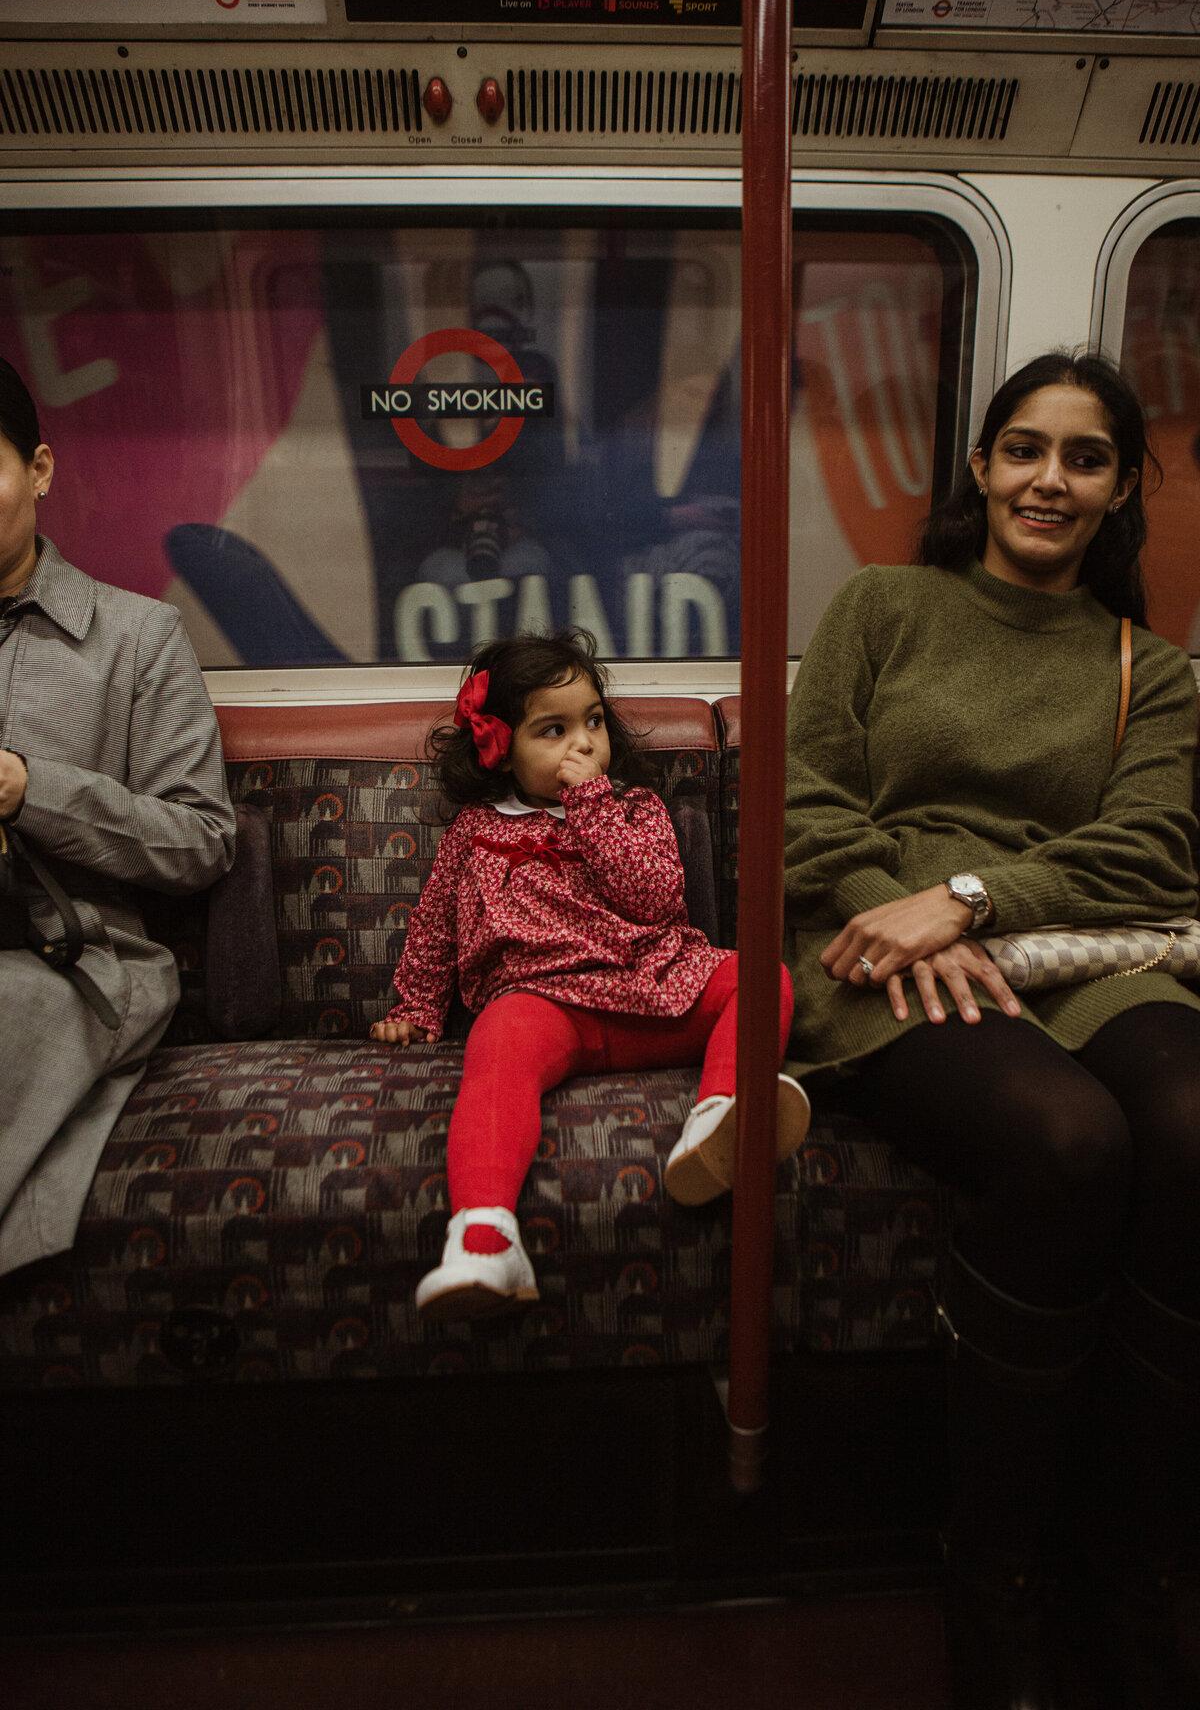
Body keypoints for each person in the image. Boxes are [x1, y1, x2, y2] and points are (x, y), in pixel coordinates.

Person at [784, 351, 1200, 1710]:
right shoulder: (885, 608)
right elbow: (804, 801)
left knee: (1194, 1131)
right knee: (1067, 1139)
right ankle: (998, 1569)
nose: (1051, 480)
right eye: (1026, 449)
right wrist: (892, 912)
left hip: (1069, 944)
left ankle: (1129, 1559)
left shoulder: (1155, 668)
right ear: (981, 467)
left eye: (1086, 459)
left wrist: (968, 900)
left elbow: (1146, 849)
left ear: (1121, 490)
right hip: (872, 942)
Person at [370, 627, 809, 1320]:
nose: (583, 743)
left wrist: (593, 806)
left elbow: (656, 898)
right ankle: (484, 1240)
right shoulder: (474, 831)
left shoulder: (632, 809)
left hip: (658, 986)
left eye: (593, 722)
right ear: (501, 748)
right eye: (553, 729)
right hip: (543, 1007)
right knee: (495, 1048)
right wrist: (417, 1007)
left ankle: (718, 1119)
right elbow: (434, 928)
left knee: (763, 979)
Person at [0, 357, 236, 1277]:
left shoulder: (139, 638)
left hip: (81, 961)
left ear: (42, 470)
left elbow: (203, 840)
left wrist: (33, 790)